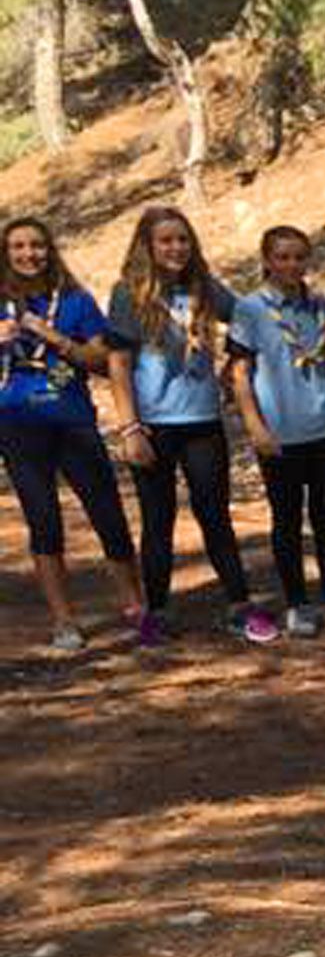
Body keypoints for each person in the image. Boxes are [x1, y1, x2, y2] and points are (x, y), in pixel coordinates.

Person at [103, 206, 278, 645]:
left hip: (202, 422)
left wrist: (234, 367)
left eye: (182, 239)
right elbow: (119, 364)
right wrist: (130, 429)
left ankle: (239, 605)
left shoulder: (204, 288)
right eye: (165, 241)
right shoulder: (129, 293)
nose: (176, 248)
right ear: (148, 246)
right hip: (153, 425)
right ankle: (156, 612)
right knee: (157, 520)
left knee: (214, 515)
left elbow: (249, 319)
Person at [0, 217, 144, 651]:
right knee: (43, 522)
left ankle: (135, 608)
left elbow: (102, 359)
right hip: (17, 426)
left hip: (74, 421)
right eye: (19, 247)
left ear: (50, 250)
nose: (30, 254)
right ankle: (65, 620)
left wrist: (58, 339)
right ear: (6, 253)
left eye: (38, 246)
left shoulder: (75, 300)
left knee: (108, 514)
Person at [229, 226, 325, 637]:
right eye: (282, 257)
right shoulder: (250, 309)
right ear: (267, 260)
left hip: (324, 427)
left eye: (299, 257)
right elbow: (239, 374)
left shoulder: (321, 307)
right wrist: (255, 426)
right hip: (279, 434)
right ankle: (298, 603)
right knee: (286, 520)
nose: (292, 265)